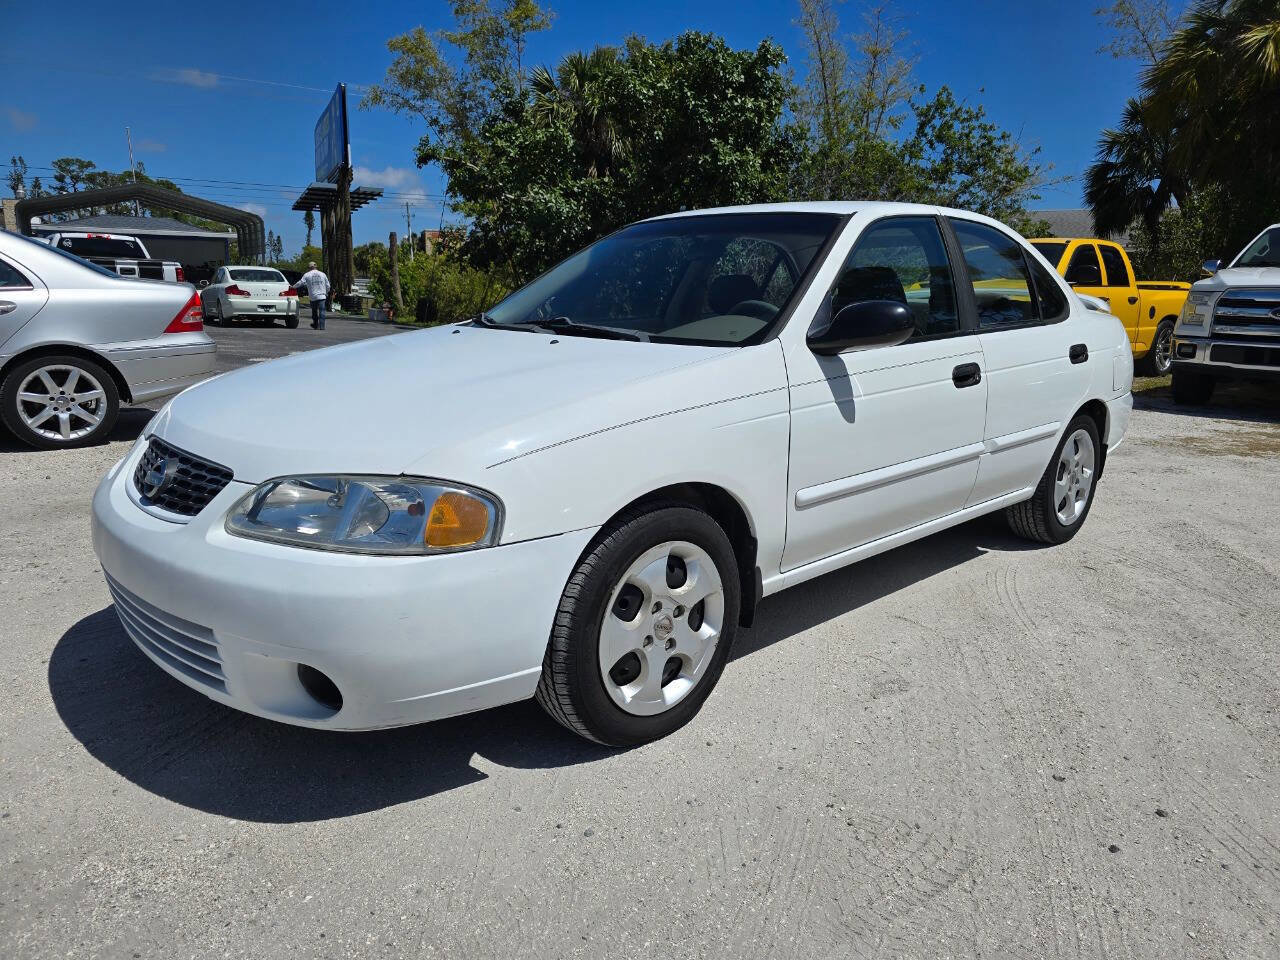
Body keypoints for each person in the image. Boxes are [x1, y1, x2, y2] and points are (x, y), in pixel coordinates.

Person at [299, 261, 331, 330]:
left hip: (313, 296)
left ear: (309, 267)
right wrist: (326, 292)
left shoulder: (307, 274)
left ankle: (316, 325)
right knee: (322, 311)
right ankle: (322, 326)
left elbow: (301, 282)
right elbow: (328, 285)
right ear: (316, 267)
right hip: (322, 296)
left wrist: (293, 286)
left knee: (314, 311)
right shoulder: (323, 274)